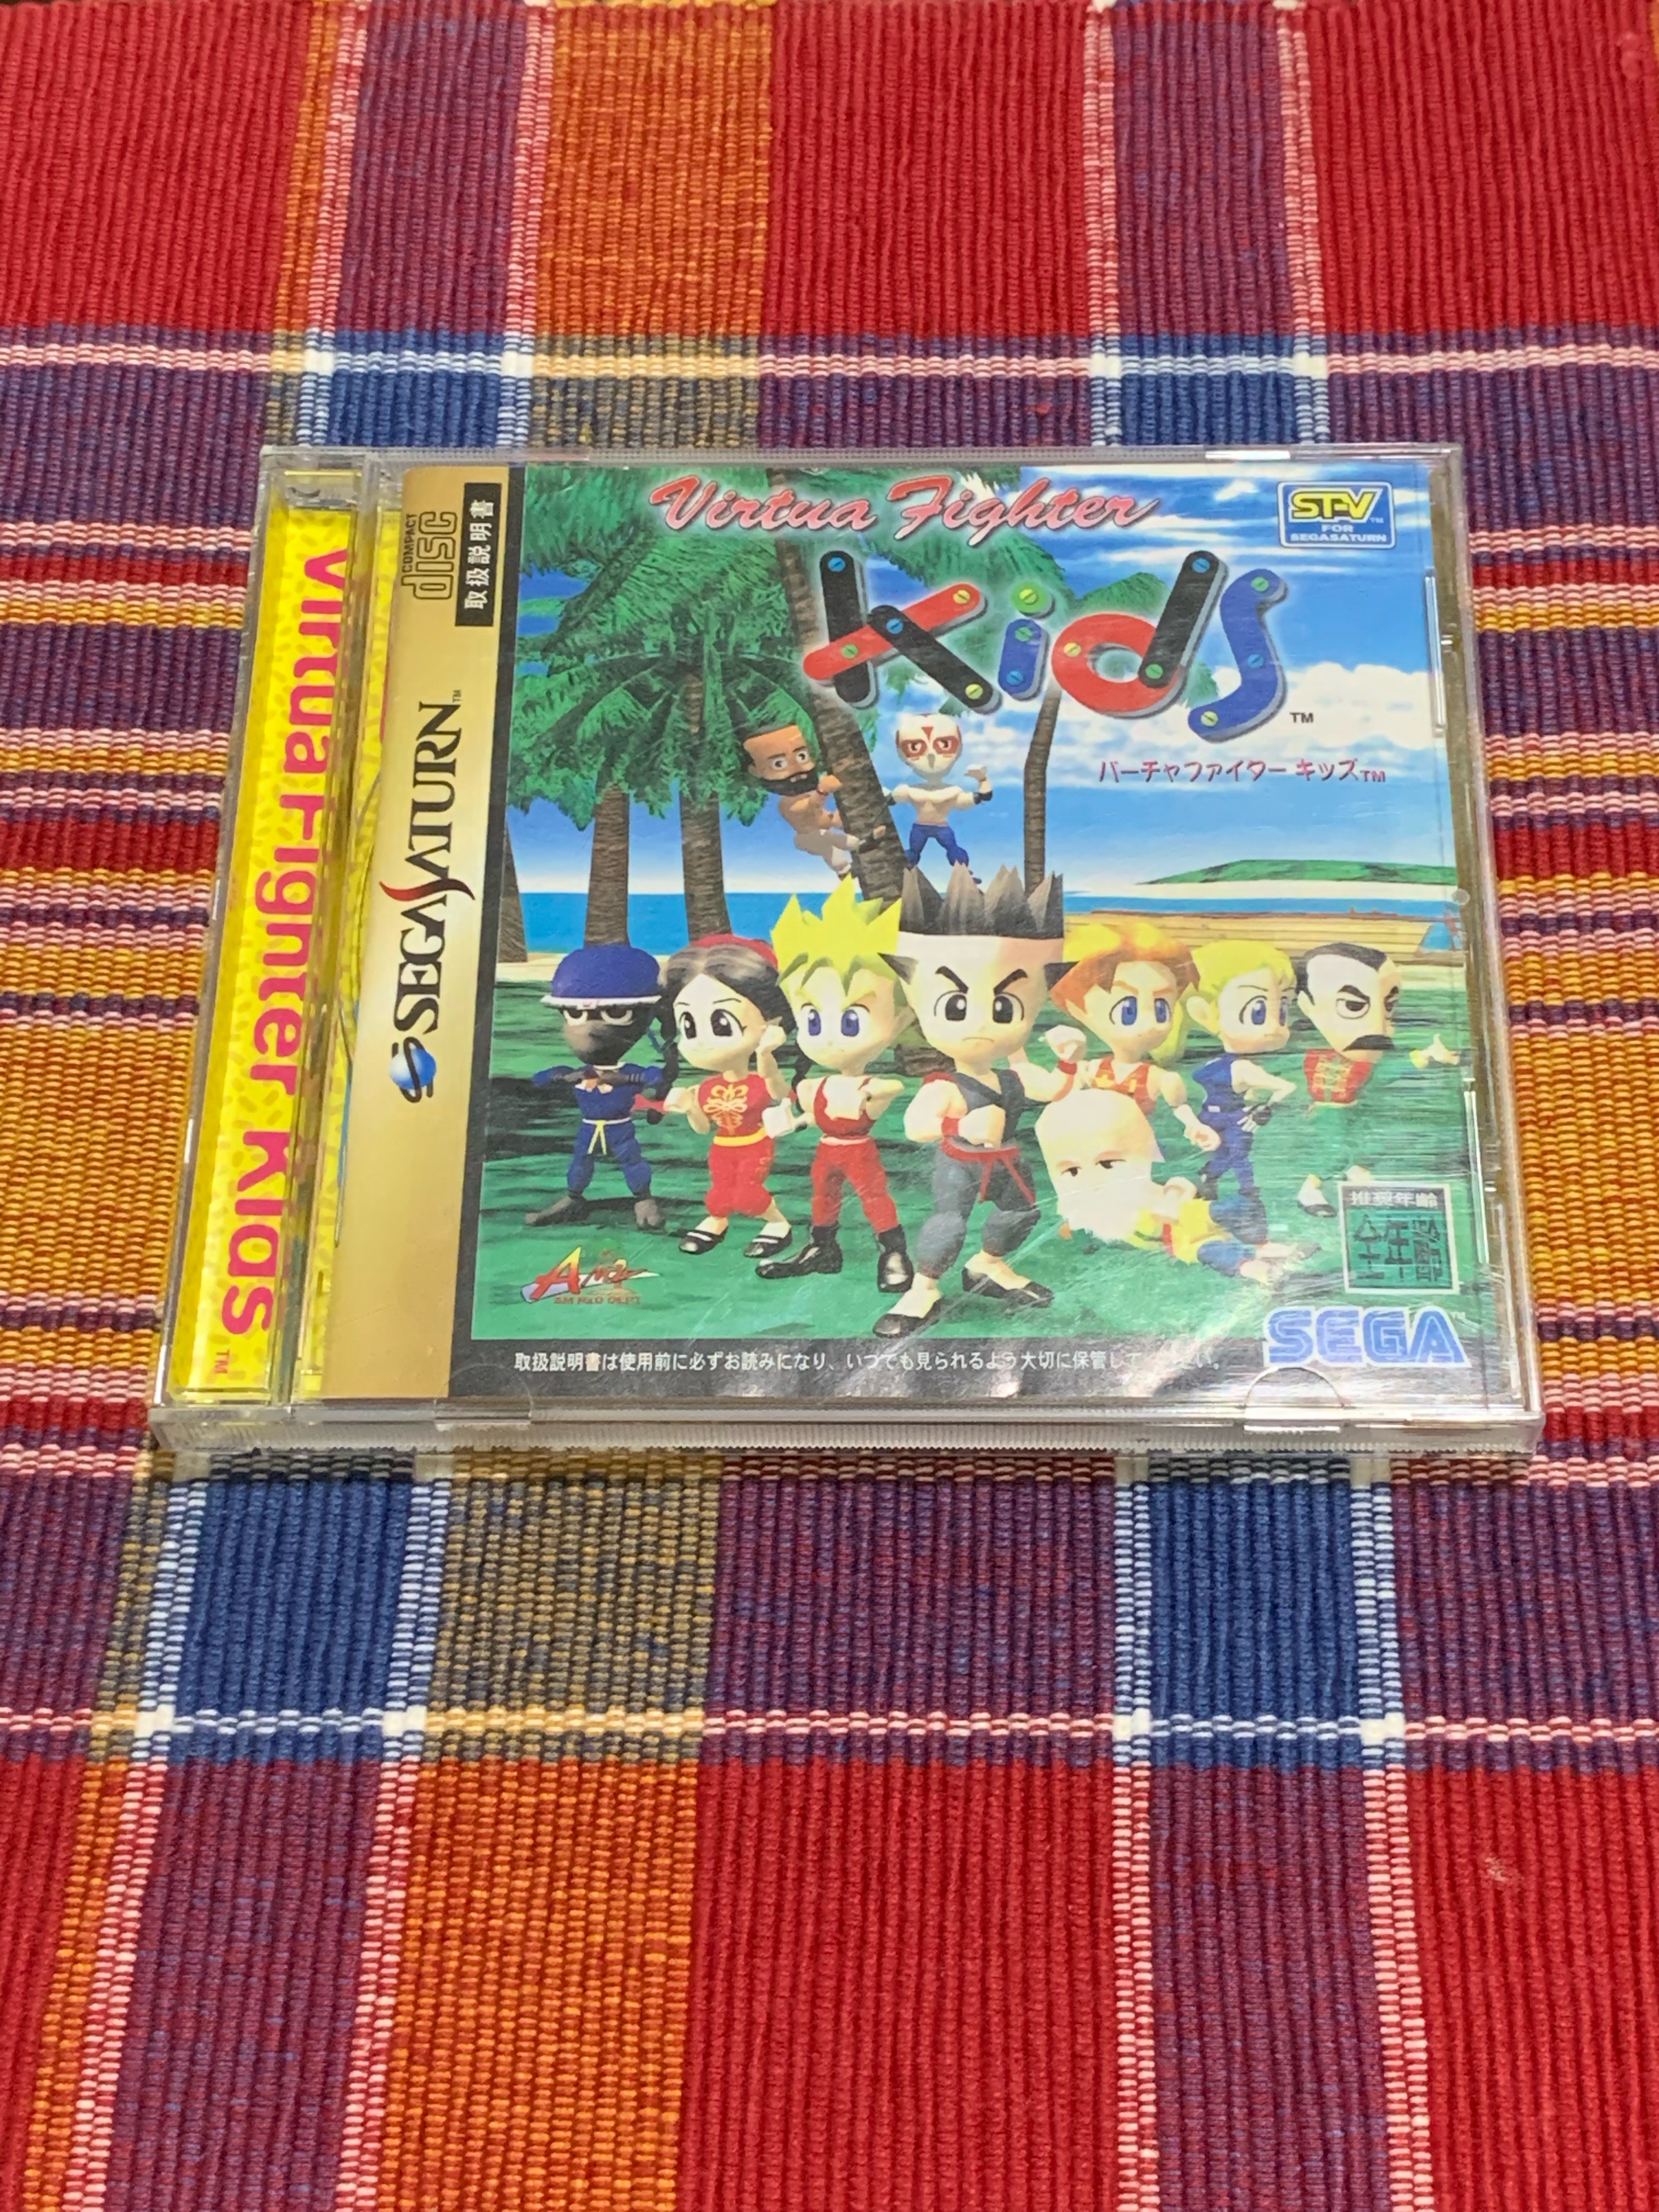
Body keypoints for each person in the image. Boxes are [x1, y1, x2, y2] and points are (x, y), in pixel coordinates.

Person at [874, 865, 1082, 1339]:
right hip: (961, 1164)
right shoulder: (944, 1087)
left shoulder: (1015, 1076)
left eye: (1005, 1007)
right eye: (956, 1006)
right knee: (948, 1225)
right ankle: (924, 1288)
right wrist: (957, 1128)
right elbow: (916, 1127)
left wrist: (1069, 1063)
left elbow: (1054, 1090)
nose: (982, 1023)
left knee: (1023, 1214)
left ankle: (989, 1264)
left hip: (1007, 1162)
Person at [760, 878, 915, 1291]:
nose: (828, 1038)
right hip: (828, 1150)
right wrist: (765, 1058)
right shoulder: (817, 1086)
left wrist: (872, 1094)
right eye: (812, 1020)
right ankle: (822, 1247)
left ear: (900, 1021)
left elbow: (892, 1089)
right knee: (822, 1195)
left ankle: (894, 1252)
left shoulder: (870, 1083)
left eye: (850, 1020)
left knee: (873, 1197)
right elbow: (783, 1094)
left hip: (859, 1150)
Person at [1036, 1088, 1307, 1289]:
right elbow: (1088, 1234)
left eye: (1107, 1163)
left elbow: (1184, 1175)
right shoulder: (1086, 1215)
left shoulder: (1146, 1180)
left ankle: (1265, 1245)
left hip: (1189, 1214)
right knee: (1214, 1253)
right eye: (1071, 1171)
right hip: (1178, 1243)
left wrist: (1175, 1194)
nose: (1093, 1180)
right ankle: (1259, 1270)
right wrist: (1078, 1234)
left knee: (1232, 1209)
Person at [659, 936, 795, 1259]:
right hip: (722, 1147)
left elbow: (778, 1091)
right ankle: (717, 1220)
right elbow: (704, 1129)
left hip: (755, 1144)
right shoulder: (706, 1088)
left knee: (748, 1192)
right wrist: (690, 1108)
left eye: (721, 1024)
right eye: (689, 1027)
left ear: (770, 1022)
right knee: (719, 1192)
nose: (702, 1042)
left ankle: (778, 1224)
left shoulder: (760, 1081)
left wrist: (766, 1054)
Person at [524, 941, 669, 1232]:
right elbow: (539, 1079)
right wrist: (562, 1078)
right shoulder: (579, 1073)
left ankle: (644, 1201)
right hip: (589, 1127)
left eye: (615, 1013)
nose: (589, 1030)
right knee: (581, 1162)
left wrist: (625, 1080)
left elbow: (656, 1078)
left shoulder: (628, 1071)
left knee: (632, 1161)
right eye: (575, 1014)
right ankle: (573, 1199)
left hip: (619, 1127)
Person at [1044, 919, 1220, 1155]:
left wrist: (1195, 1126)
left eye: (1161, 1009)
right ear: (1077, 1009)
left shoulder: (1160, 1079)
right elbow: (1062, 1103)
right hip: (1096, 1146)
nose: (1150, 1025)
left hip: (1138, 1147)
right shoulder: (1090, 1070)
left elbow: (1180, 1109)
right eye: (1129, 1011)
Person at [1183, 939, 1298, 1246]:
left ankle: (1248, 1198)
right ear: (1205, 1014)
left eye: (1282, 1011)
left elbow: (1286, 1087)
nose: (1274, 1027)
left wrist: (1262, 1111)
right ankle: (1211, 1185)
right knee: (1224, 1155)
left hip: (1232, 1120)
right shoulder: (1223, 1063)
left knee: (1239, 1158)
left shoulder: (1243, 1068)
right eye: (1258, 1011)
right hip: (1213, 1118)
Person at [1291, 941, 1402, 1216]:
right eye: (1353, 1006)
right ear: (1307, 1006)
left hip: (1348, 1110)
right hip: (1330, 1112)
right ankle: (1309, 1189)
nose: (1379, 1027)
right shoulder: (1313, 1053)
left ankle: (1358, 1175)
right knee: (1336, 1150)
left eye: (1389, 1007)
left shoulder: (1359, 1058)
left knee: (1358, 1144)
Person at [742, 724, 870, 878]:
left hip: (825, 826)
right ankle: (845, 868)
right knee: (825, 839)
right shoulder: (786, 804)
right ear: (755, 771)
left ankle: (862, 843)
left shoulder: (810, 790)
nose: (797, 769)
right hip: (807, 839)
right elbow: (808, 809)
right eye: (779, 764)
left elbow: (821, 813)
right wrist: (823, 791)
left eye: (802, 756)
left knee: (834, 831)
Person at [883, 713, 992, 872]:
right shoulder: (911, 790)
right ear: (902, 754)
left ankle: (964, 874)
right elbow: (891, 799)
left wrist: (983, 781)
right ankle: (907, 872)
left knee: (953, 850)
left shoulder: (951, 791)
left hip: (941, 827)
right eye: (915, 747)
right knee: (913, 852)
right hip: (920, 827)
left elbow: (980, 798)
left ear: (959, 749)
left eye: (944, 744)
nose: (931, 755)